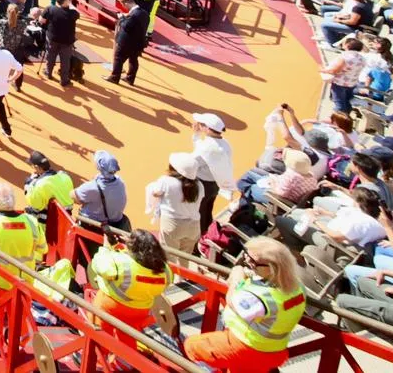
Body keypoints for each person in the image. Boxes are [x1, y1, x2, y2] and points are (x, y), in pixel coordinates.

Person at [183, 237, 305, 373]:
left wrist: (237, 277)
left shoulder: (262, 297)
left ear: (271, 268)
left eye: (253, 262)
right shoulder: (297, 288)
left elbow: (232, 300)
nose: (247, 262)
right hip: (274, 350)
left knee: (191, 346)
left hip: (247, 347)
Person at [86, 229, 172, 331]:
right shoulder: (165, 270)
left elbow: (101, 266)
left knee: (101, 335)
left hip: (111, 307)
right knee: (129, 335)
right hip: (140, 311)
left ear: (134, 248)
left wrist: (106, 248)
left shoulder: (121, 262)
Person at [146, 152, 204, 254]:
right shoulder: (199, 185)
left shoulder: (166, 181)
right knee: (186, 257)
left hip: (173, 225)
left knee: (169, 257)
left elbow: (155, 193)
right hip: (193, 227)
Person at [191, 112, 235, 235]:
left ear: (208, 129)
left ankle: (200, 240)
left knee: (198, 214)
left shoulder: (207, 147)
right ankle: (208, 235)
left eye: (201, 124)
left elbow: (192, 162)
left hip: (203, 185)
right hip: (214, 184)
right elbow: (202, 149)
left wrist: (196, 135)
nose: (198, 125)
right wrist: (197, 135)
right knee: (207, 211)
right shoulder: (224, 143)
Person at [74, 151, 129, 229]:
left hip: (93, 225)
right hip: (114, 224)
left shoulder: (92, 186)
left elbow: (74, 197)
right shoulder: (120, 182)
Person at [41, 0, 79, 87]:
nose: (69, 1)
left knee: (50, 56)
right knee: (65, 60)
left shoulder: (50, 9)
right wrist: (70, 6)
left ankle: (48, 72)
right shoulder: (73, 13)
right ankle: (64, 80)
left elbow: (42, 20)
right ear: (64, 2)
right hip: (67, 41)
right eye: (68, 0)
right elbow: (77, 14)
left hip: (52, 38)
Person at [108, 0, 149, 85]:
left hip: (127, 42)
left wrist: (122, 18)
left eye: (124, 6)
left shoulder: (133, 15)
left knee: (118, 58)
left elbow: (126, 26)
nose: (125, 8)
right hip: (139, 42)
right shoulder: (145, 13)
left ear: (127, 3)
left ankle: (114, 77)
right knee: (133, 60)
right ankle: (130, 78)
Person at [24, 150, 76, 217]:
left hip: (51, 221)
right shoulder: (65, 175)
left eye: (32, 166)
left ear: (36, 167)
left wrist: (29, 184)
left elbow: (35, 206)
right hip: (67, 217)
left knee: (29, 210)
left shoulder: (40, 183)